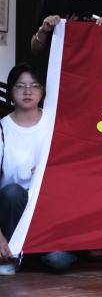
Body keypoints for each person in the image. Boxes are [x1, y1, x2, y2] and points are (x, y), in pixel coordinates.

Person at [0, 64, 76, 275]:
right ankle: (13, 253)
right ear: (11, 91)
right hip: (14, 210)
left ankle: (33, 253)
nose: (27, 91)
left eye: (34, 86)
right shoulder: (3, 129)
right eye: (20, 86)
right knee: (12, 192)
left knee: (59, 261)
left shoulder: (56, 124)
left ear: (43, 91)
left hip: (48, 209)